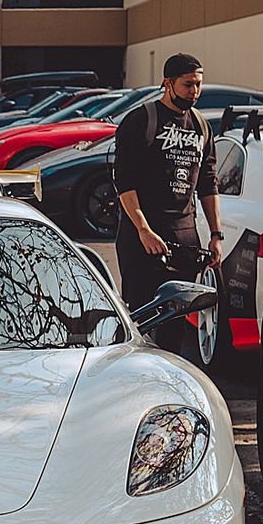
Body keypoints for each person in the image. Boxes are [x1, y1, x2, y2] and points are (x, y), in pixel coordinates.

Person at [111, 53, 222, 325]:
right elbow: (124, 181)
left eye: (198, 84)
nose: (194, 91)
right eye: (188, 84)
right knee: (142, 317)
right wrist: (143, 230)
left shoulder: (201, 127)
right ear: (167, 83)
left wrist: (216, 235)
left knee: (179, 322)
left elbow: (208, 183)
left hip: (184, 237)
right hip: (143, 237)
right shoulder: (141, 120)